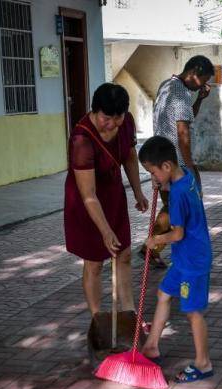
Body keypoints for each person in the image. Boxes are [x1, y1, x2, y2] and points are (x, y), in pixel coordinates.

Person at [63, 83, 148, 316]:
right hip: (86, 203)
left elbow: (129, 156)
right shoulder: (82, 139)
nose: (111, 124)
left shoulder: (126, 122)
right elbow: (88, 196)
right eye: (106, 118)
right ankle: (98, 320)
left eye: (117, 117)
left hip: (113, 197)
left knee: (124, 255)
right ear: (95, 110)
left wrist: (137, 191)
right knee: (95, 262)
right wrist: (105, 230)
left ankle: (129, 315)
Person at [138, 136, 214, 383]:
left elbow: (178, 233)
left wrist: (156, 240)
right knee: (163, 294)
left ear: (167, 166)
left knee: (192, 311)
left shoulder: (178, 196)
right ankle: (151, 347)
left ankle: (203, 363)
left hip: (192, 261)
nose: (153, 177)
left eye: (153, 171)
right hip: (185, 258)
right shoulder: (187, 178)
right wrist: (162, 184)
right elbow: (175, 187)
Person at [139, 55, 215, 268]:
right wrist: (190, 167)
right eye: (203, 79)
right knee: (179, 208)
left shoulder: (167, 86)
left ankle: (151, 249)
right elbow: (183, 133)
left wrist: (199, 98)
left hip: (160, 160)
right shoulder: (180, 94)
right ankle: (153, 247)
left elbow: (186, 118)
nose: (203, 84)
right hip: (175, 165)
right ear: (192, 73)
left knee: (171, 207)